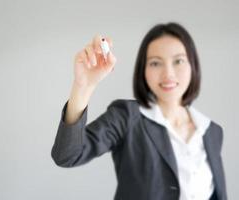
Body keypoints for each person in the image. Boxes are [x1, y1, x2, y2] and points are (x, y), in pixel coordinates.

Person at [51, 22, 227, 200]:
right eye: (155, 63)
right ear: (144, 71)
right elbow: (67, 155)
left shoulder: (212, 131)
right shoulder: (127, 117)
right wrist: (84, 86)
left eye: (178, 61)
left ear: (193, 66)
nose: (168, 73)